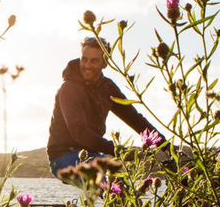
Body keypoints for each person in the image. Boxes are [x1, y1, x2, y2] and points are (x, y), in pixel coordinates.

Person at [47, 37, 166, 179]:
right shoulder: (69, 88)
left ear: (105, 63)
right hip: (64, 156)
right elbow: (79, 132)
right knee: (117, 189)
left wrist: (164, 145)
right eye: (84, 59)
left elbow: (134, 118)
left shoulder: (107, 86)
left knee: (127, 190)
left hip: (93, 154)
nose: (87, 65)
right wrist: (119, 151)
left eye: (94, 61)